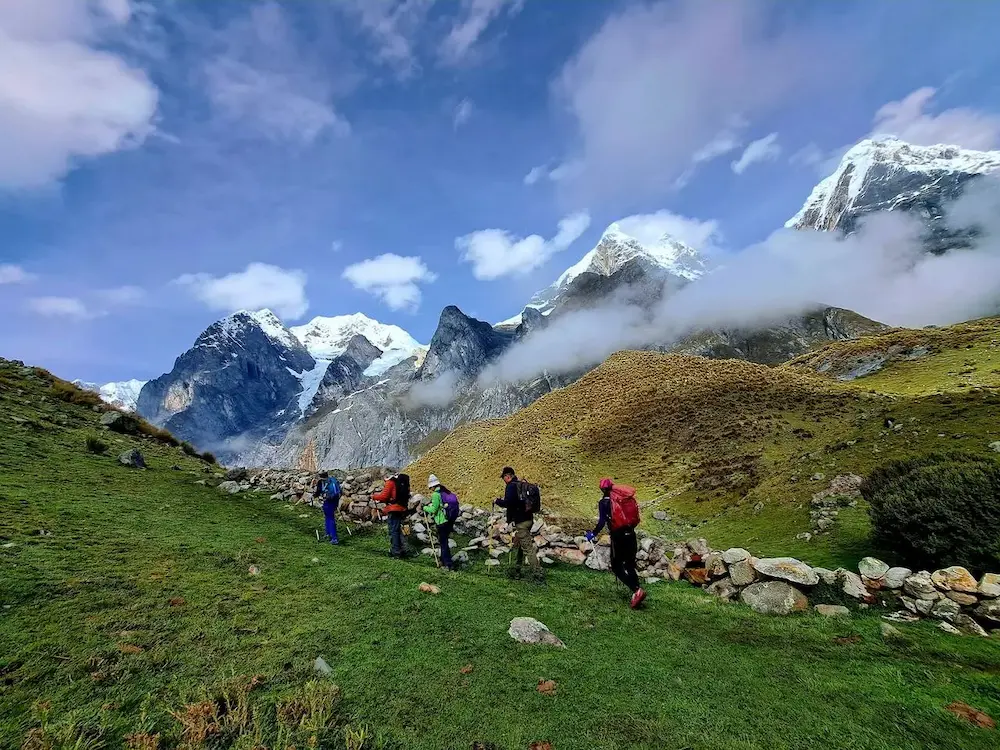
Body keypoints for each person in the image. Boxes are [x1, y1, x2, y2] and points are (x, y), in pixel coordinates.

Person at [587, 478, 646, 609]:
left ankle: (636, 590)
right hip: (630, 532)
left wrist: (593, 533)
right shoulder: (623, 500)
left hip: (618, 536)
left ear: (602, 489)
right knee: (629, 563)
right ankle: (637, 591)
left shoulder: (604, 503)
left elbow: (602, 522)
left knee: (616, 565)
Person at [494, 466, 542, 581]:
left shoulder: (511, 486)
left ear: (508, 476)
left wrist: (497, 501)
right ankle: (517, 569)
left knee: (528, 549)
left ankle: (538, 574)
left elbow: (509, 503)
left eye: (504, 477)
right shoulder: (520, 485)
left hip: (521, 522)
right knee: (520, 545)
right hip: (529, 519)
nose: (503, 480)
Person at [372, 473, 411, 558]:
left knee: (394, 531)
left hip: (393, 509)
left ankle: (396, 551)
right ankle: (403, 549)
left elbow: (384, 496)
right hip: (402, 508)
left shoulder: (390, 482)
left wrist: (374, 496)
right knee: (399, 530)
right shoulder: (402, 482)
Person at [424, 475, 456, 570]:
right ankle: (444, 560)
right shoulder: (443, 492)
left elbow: (434, 509)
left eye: (430, 487)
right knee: (444, 541)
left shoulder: (435, 494)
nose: (430, 489)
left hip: (441, 521)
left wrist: (425, 508)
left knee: (443, 543)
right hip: (446, 521)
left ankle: (447, 563)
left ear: (433, 486)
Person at [316, 471, 342, 545]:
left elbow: (318, 491)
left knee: (330, 518)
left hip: (329, 501)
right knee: (328, 516)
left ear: (322, 477)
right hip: (334, 501)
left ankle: (334, 538)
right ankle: (328, 533)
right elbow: (340, 491)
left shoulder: (324, 482)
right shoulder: (333, 480)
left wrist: (316, 496)